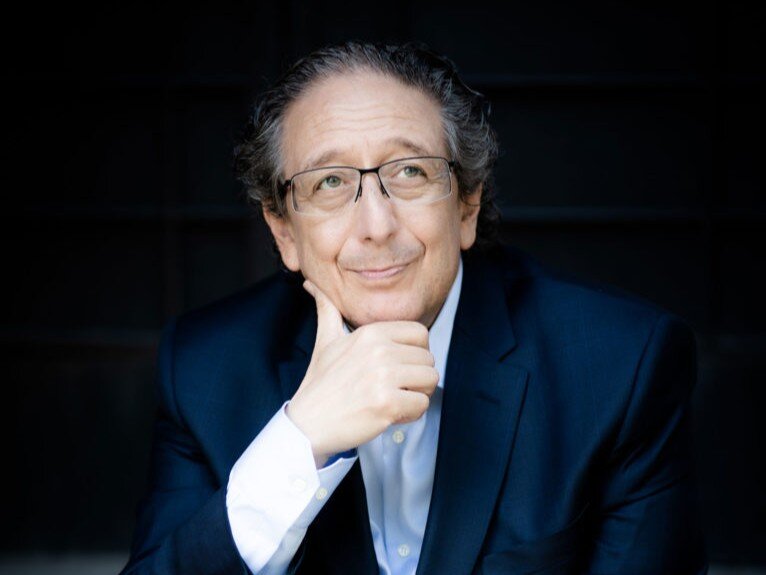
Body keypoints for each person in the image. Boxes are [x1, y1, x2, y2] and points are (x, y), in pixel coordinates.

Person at [120, 42, 707, 574]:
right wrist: (300, 442)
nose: (376, 226)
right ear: (284, 233)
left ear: (467, 205)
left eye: (409, 172)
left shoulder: (621, 366)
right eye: (329, 183)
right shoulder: (204, 369)